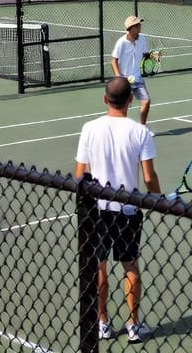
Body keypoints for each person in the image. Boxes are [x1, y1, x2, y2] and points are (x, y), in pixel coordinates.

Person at [75, 76, 162, 344]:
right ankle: (133, 325)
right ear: (131, 100)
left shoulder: (89, 128)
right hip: (128, 212)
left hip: (96, 212)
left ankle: (102, 322)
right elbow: (148, 177)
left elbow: (80, 175)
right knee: (130, 266)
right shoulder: (140, 132)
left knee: (98, 266)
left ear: (105, 99)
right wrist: (158, 199)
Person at [111, 15, 155, 126]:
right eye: (138, 24)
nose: (140, 26)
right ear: (132, 28)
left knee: (146, 101)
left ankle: (142, 128)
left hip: (137, 78)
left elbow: (145, 55)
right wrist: (119, 77)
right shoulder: (121, 42)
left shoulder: (142, 38)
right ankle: (121, 129)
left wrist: (151, 61)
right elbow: (113, 61)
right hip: (125, 79)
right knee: (124, 107)